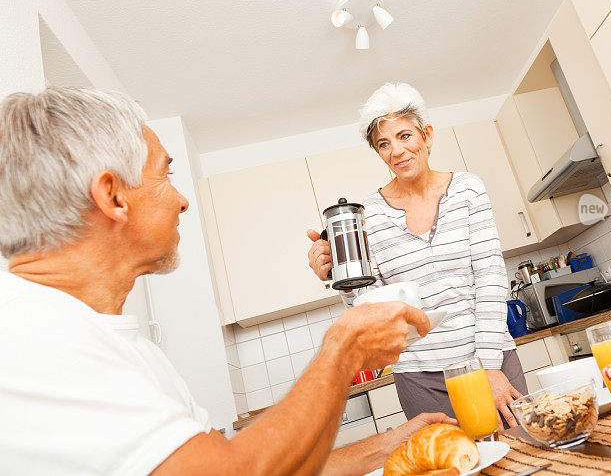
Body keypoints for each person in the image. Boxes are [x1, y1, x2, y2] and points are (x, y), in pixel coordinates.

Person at [0, 87, 455, 476]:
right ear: (113, 196)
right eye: (165, 174)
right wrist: (341, 350)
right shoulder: (39, 340)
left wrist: (388, 445)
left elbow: (233, 461)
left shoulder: (97, 338)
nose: (182, 201)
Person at [308, 82, 527, 429]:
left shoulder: (468, 189)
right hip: (421, 377)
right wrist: (343, 279)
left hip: (491, 358)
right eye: (384, 143)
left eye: (405, 136)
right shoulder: (368, 216)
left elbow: (489, 279)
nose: (396, 151)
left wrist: (490, 367)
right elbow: (373, 309)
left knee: (524, 452)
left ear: (426, 135)